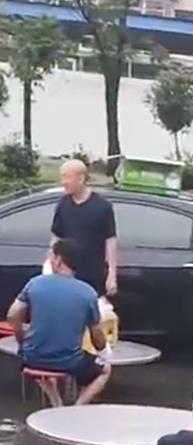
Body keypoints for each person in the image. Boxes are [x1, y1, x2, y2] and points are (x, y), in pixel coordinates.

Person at [7, 239, 111, 406]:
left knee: (41, 369)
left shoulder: (35, 283)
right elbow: (97, 337)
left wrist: (22, 340)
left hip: (32, 358)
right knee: (105, 370)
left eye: (51, 256)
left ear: (58, 260)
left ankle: (56, 401)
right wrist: (104, 352)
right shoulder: (87, 293)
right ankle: (77, 407)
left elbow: (12, 315)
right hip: (70, 362)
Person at [50, 158, 117, 298]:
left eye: (66, 177)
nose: (63, 182)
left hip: (93, 277)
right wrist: (51, 263)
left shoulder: (102, 207)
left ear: (80, 179)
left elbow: (110, 242)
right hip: (67, 276)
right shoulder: (63, 205)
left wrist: (112, 275)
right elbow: (56, 238)